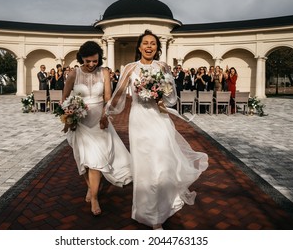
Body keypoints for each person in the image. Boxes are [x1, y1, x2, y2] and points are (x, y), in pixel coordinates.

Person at [105, 30, 208, 229]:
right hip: (139, 120)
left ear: (157, 47)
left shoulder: (163, 67)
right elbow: (118, 95)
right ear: (139, 46)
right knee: (144, 165)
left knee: (162, 160)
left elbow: (172, 98)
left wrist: (161, 97)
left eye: (153, 43)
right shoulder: (129, 68)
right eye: (146, 43)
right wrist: (107, 111)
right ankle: (149, 214)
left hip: (159, 118)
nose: (149, 46)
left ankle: (165, 205)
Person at [61, 41, 132, 216]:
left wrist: (105, 115)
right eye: (88, 61)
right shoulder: (73, 74)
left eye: (95, 61)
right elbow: (64, 99)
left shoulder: (105, 72)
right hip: (80, 123)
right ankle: (92, 189)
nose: (92, 64)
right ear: (81, 58)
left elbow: (107, 98)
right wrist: (69, 116)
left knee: (96, 162)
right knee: (85, 160)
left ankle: (94, 198)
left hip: (99, 121)